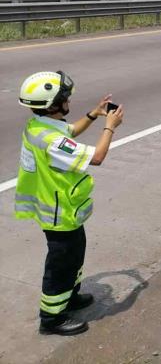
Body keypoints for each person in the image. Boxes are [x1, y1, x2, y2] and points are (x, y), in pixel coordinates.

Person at [15, 71, 124, 335]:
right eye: (65, 97)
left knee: (74, 255)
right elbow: (97, 157)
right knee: (60, 265)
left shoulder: (41, 125)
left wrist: (93, 114)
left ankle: (69, 297)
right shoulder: (50, 140)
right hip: (57, 213)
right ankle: (51, 318)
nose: (68, 101)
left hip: (65, 210)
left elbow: (70, 130)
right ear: (53, 105)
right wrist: (109, 125)